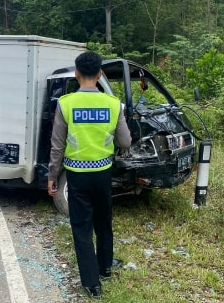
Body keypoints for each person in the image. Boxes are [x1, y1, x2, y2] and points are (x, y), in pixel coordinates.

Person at [47, 52, 132, 299]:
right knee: (104, 220)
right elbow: (125, 140)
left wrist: (52, 175)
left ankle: (91, 283)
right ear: (99, 75)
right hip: (103, 173)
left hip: (76, 175)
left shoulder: (65, 103)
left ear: (76, 74)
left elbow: (57, 145)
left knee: (82, 226)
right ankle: (105, 266)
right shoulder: (113, 104)